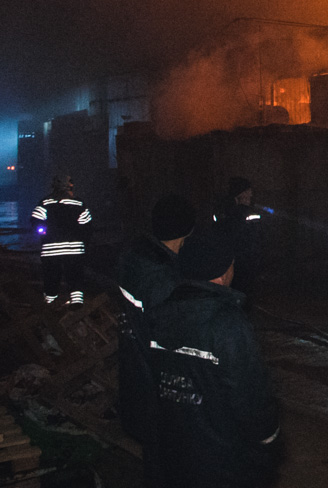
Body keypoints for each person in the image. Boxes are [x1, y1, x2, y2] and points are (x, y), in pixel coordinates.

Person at [147, 225, 280, 487]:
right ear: (223, 271)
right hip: (222, 463)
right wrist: (268, 440)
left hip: (173, 457)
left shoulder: (159, 315)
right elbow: (249, 395)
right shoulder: (228, 325)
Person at [116, 193, 197, 472]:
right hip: (158, 398)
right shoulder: (162, 280)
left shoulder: (136, 261)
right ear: (186, 232)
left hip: (137, 382)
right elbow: (175, 345)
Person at [32, 175, 92, 305]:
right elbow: (86, 227)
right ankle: (77, 302)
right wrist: (81, 241)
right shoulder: (79, 204)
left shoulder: (45, 203)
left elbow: (36, 222)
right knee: (75, 275)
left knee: (51, 276)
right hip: (75, 250)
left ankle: (50, 302)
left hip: (50, 250)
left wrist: (44, 234)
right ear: (69, 187)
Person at [213, 177, 263, 299]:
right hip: (237, 260)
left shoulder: (228, 212)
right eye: (247, 191)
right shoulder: (230, 213)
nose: (250, 194)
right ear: (241, 193)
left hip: (241, 260)